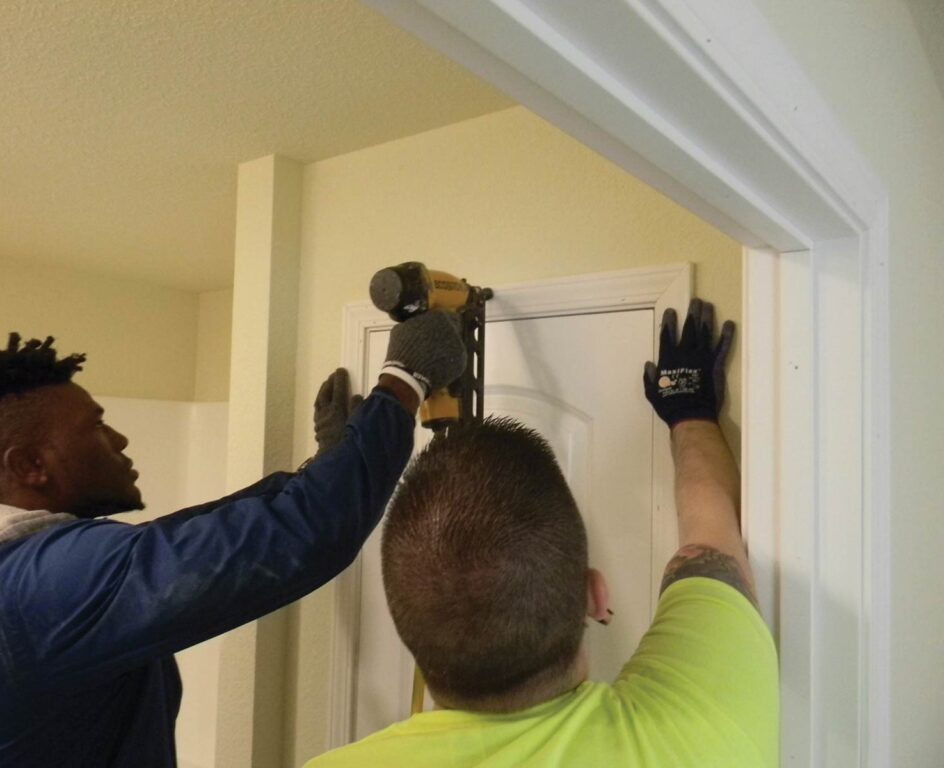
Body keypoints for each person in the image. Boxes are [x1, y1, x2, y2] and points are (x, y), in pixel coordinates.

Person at [0, 310, 466, 768]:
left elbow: (186, 538)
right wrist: (403, 382)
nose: (118, 438)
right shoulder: (42, 586)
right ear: (32, 465)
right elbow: (299, 535)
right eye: (95, 426)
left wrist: (325, 467)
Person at [308, 298, 779, 767]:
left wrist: (336, 469)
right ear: (595, 595)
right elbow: (711, 544)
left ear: (405, 629)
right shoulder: (694, 736)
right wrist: (689, 410)